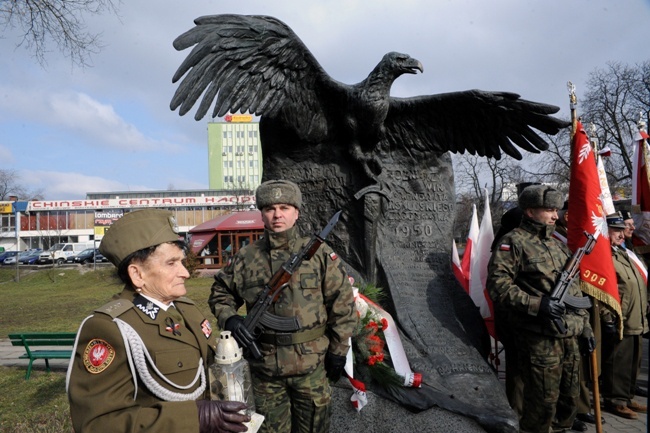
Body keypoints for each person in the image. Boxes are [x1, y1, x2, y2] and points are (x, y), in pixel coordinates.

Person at [67, 209, 250, 433]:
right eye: (172, 263)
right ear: (137, 274)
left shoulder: (187, 309)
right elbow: (97, 424)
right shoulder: (110, 328)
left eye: (182, 262)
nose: (185, 273)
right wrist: (194, 418)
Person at [209, 180, 357, 433]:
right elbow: (220, 292)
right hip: (264, 369)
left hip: (311, 366)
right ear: (262, 213)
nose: (277, 214)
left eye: (285, 207)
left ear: (296, 213)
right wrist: (230, 319)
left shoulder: (319, 255)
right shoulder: (246, 257)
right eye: (270, 208)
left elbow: (342, 304)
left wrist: (339, 350)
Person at [487, 184, 594, 433]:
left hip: (569, 337)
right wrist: (538, 304)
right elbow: (497, 286)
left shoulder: (558, 246)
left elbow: (575, 291)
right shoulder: (513, 242)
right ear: (530, 211)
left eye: (556, 210)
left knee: (568, 401)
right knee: (541, 405)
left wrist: (586, 328)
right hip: (539, 338)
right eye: (549, 210)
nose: (556, 215)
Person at [601, 212, 648, 420]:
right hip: (621, 317)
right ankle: (615, 400)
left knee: (634, 361)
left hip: (637, 316)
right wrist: (607, 317)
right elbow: (603, 290)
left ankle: (627, 396)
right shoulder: (604, 256)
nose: (621, 234)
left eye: (622, 230)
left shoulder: (622, 253)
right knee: (618, 362)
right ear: (606, 231)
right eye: (616, 230)